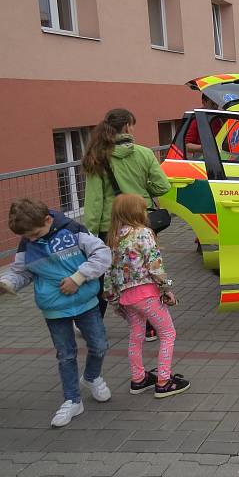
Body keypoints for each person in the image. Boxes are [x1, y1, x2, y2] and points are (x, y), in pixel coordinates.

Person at [0, 198, 112, 427]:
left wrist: (78, 278)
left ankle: (91, 377)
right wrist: (8, 282)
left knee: (99, 345)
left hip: (86, 302)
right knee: (65, 355)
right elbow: (22, 272)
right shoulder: (27, 243)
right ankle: (72, 400)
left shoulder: (74, 230)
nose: (32, 239)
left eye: (35, 233)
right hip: (54, 309)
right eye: (28, 237)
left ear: (48, 220)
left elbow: (102, 254)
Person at [82, 109, 170, 343]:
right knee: (146, 271)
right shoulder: (144, 154)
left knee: (104, 276)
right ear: (128, 127)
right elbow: (163, 187)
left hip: (108, 228)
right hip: (141, 222)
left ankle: (93, 327)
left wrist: (89, 233)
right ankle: (152, 326)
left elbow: (94, 200)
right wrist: (143, 192)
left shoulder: (98, 157)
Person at [104, 194, 190, 398]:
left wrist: (114, 300)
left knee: (136, 336)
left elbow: (109, 273)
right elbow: (156, 267)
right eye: (144, 209)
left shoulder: (114, 237)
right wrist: (168, 288)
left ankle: (139, 378)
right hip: (148, 295)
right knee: (168, 334)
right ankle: (164, 380)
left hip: (126, 297)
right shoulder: (144, 233)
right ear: (136, 212)